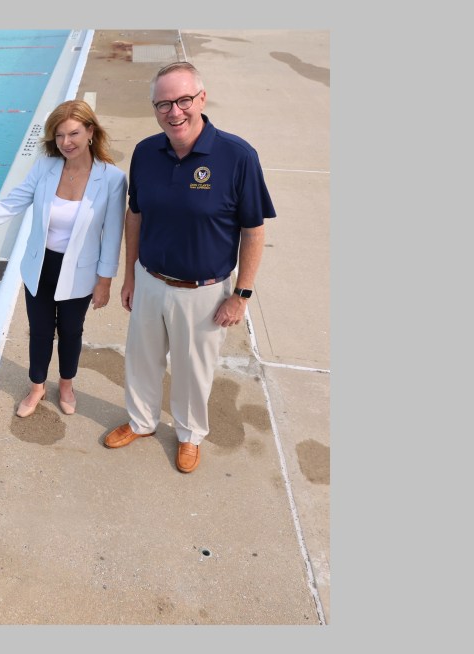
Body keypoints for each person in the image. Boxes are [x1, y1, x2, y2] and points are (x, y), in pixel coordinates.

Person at [103, 62, 275, 473]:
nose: (174, 112)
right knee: (141, 359)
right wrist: (130, 275)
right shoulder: (146, 152)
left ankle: (189, 435)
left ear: (201, 98)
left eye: (182, 100)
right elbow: (136, 215)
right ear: (155, 108)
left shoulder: (237, 156)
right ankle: (142, 422)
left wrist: (241, 295)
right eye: (163, 104)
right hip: (150, 278)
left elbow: (253, 230)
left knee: (192, 370)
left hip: (204, 290)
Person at [0, 99, 126, 418]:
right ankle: (37, 386)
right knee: (39, 330)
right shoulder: (46, 167)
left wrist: (104, 281)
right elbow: (12, 203)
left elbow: (113, 235)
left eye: (74, 134)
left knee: (71, 332)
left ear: (91, 131)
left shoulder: (112, 179)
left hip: (79, 272)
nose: (67, 143)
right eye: (60, 136)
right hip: (41, 266)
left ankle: (66, 385)